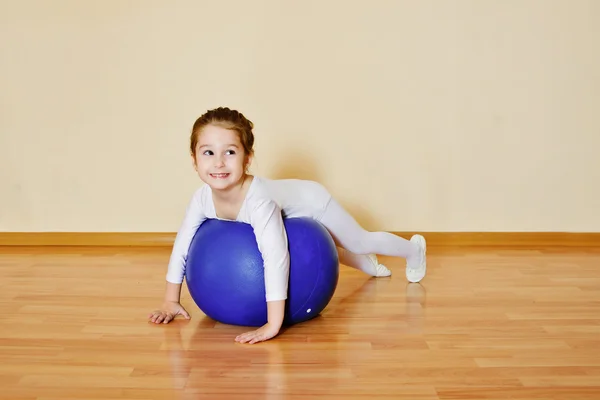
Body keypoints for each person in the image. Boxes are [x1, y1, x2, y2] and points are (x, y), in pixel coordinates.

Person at [148, 107, 427, 344]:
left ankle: (413, 250)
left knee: (357, 241)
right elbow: (182, 246)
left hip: (313, 202)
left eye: (230, 152)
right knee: (327, 247)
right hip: (289, 209)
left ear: (247, 159)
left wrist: (273, 324)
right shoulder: (201, 199)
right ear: (194, 160)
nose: (218, 162)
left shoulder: (259, 202)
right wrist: (171, 300)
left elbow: (276, 258)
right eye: (208, 152)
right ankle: (366, 264)